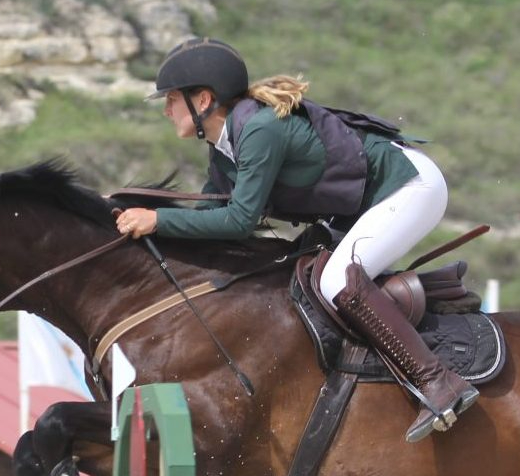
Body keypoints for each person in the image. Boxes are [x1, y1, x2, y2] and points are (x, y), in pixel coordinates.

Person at [115, 37, 478, 442]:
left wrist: (157, 220)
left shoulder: (259, 131)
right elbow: (209, 220)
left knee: (336, 281)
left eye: (171, 100)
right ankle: (436, 290)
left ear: (202, 100)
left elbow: (238, 221)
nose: (165, 110)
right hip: (369, 201)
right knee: (302, 273)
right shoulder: (225, 147)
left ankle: (439, 383)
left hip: (409, 186)